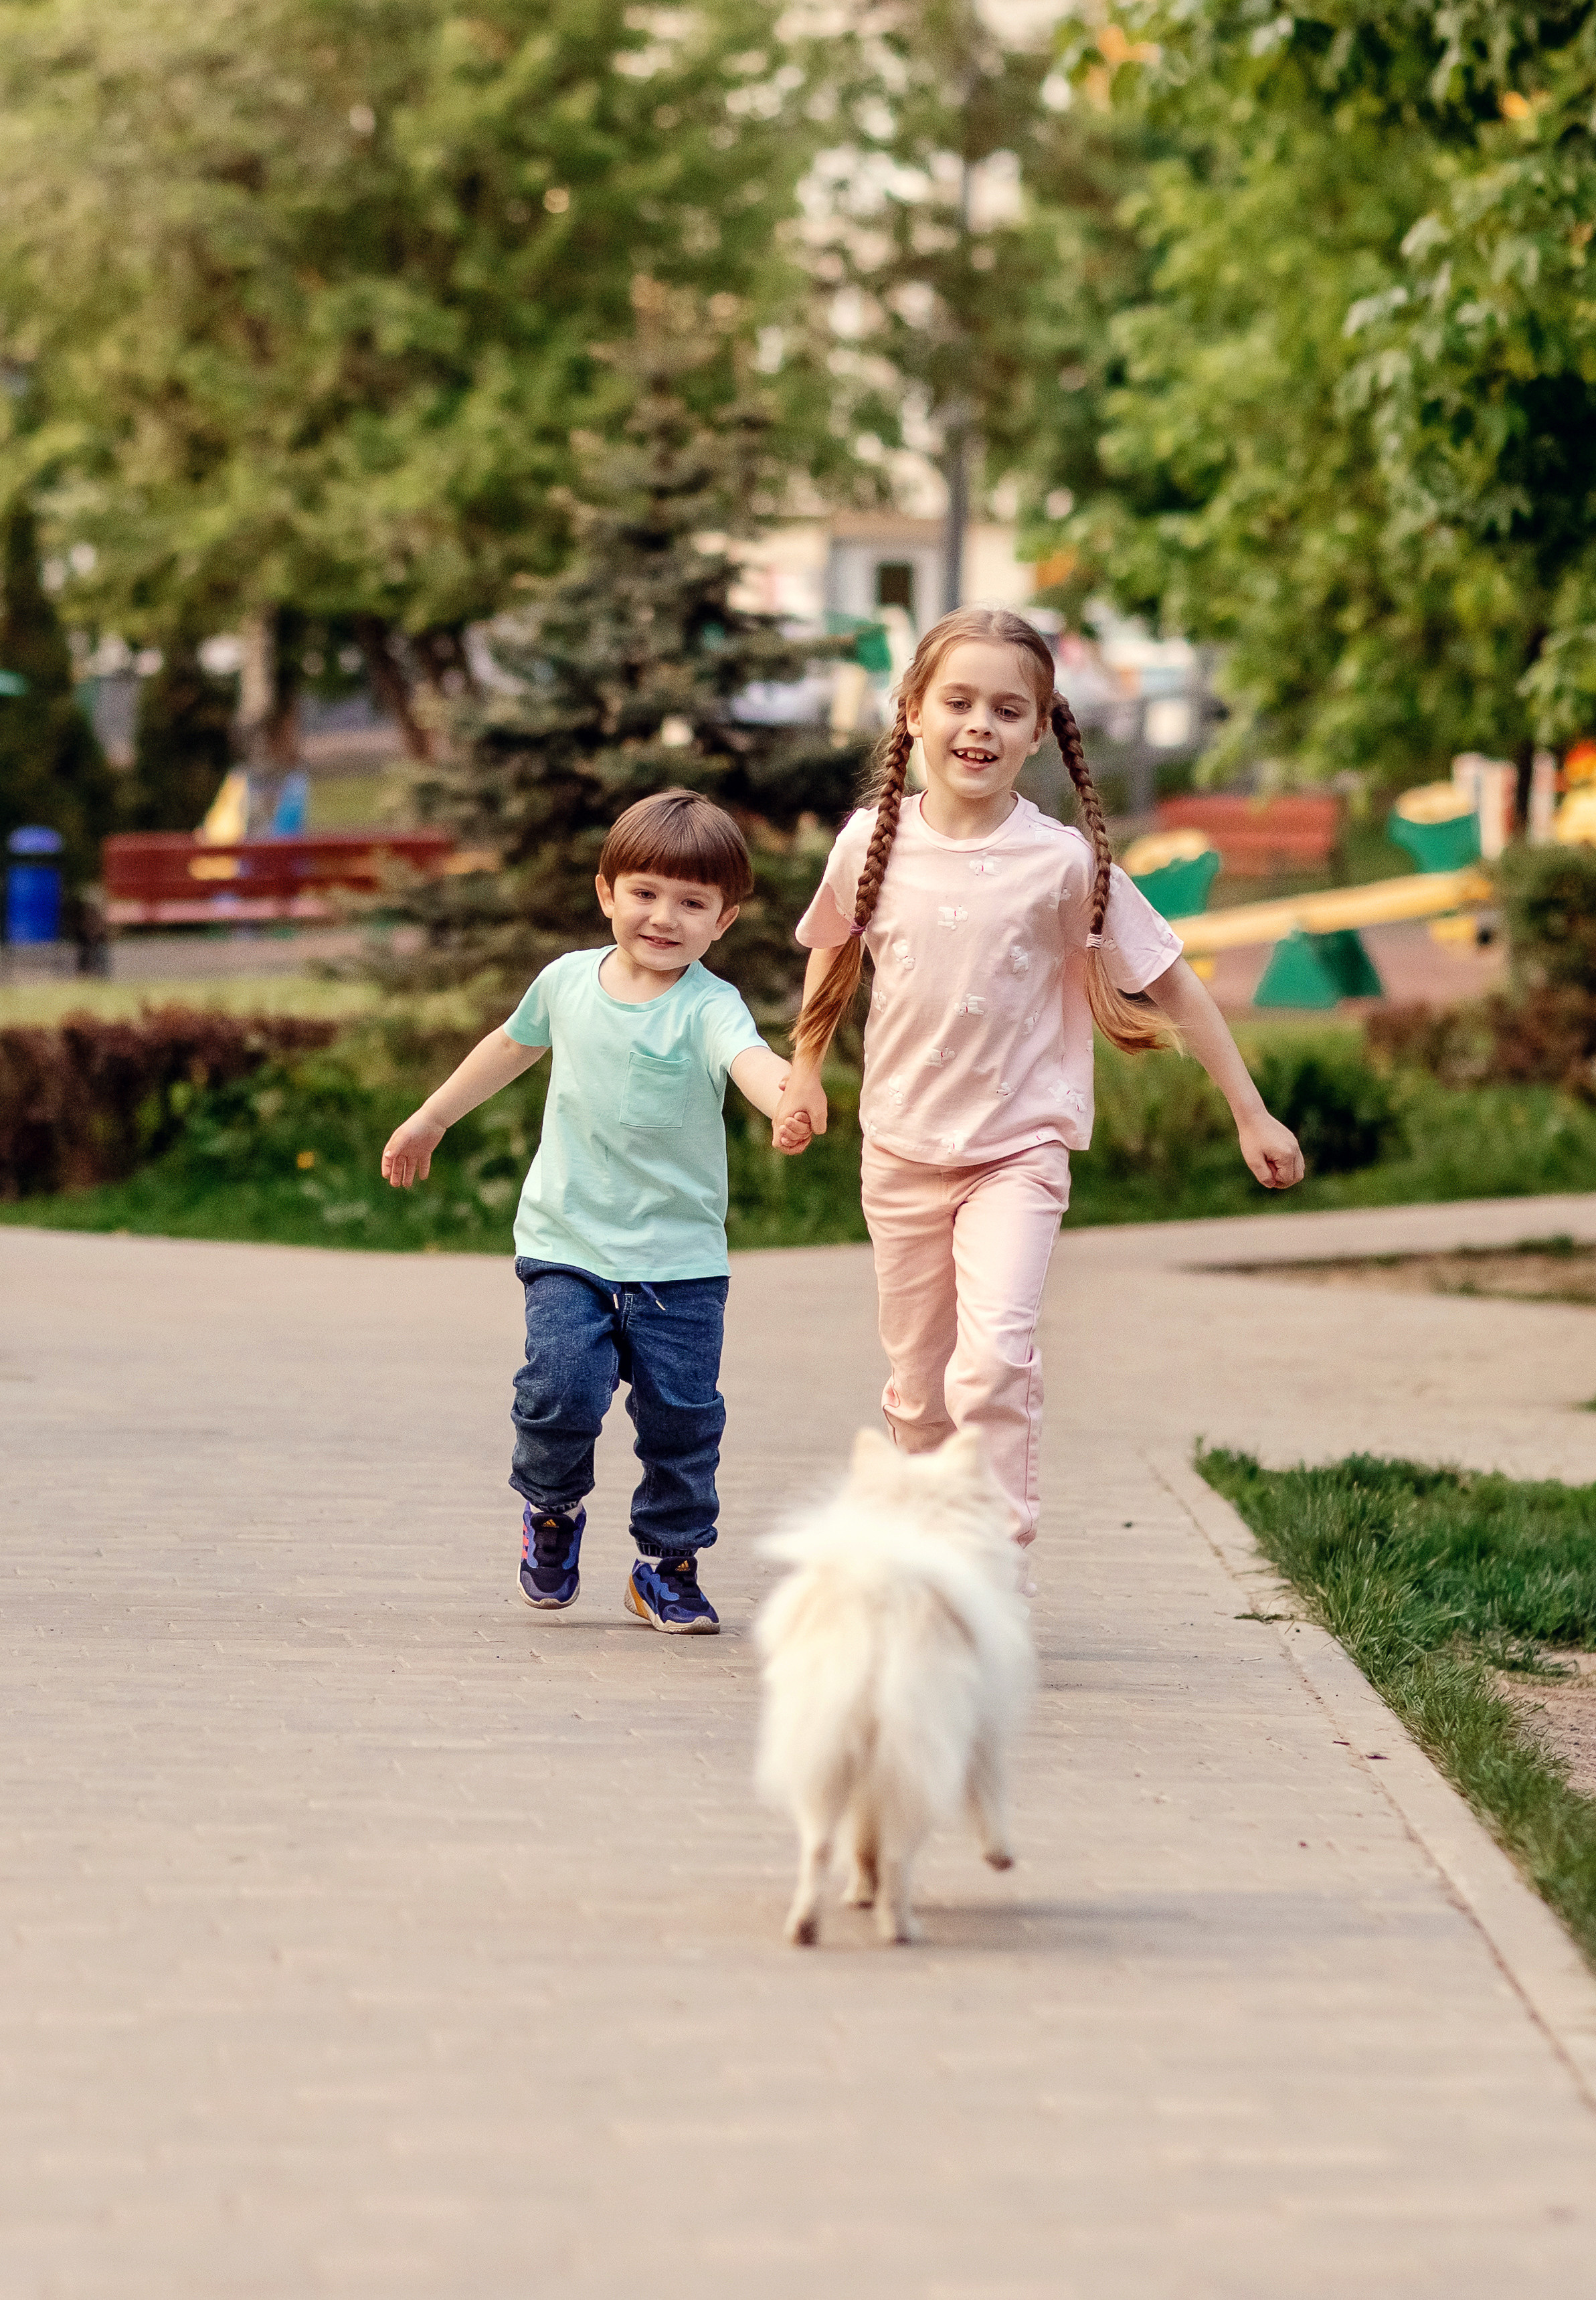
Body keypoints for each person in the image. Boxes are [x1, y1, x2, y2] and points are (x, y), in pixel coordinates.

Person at [772, 606, 1304, 1555]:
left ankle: (996, 1574)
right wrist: (805, 1072)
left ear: (1040, 727)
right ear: (912, 713)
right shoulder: (869, 842)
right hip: (898, 1147)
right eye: (959, 701)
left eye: (1007, 709)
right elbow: (831, 952)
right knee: (917, 1386)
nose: (980, 724)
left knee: (996, 1362)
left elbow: (1170, 979)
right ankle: (929, 1544)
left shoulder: (1062, 862)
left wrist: (1249, 1112)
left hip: (1017, 1150)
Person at [381, 788, 802, 1635]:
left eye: (692, 902)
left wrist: (786, 1096)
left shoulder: (709, 1004)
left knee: (683, 1418)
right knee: (560, 1390)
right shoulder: (567, 980)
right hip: (566, 1239)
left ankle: (666, 1566)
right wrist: (431, 1117)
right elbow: (509, 1046)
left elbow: (749, 1059)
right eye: (645, 892)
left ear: (724, 919)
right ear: (606, 891)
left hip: (680, 1261)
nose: (664, 917)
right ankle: (551, 1508)